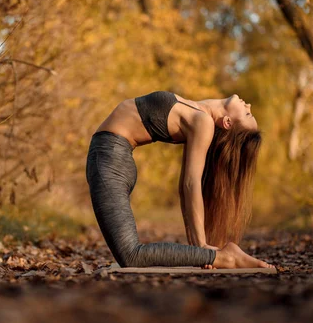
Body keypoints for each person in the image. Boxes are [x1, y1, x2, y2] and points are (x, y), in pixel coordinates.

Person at [85, 90, 274, 269]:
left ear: (227, 123)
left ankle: (228, 257)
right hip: (112, 157)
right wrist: (198, 249)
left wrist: (201, 246)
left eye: (248, 114)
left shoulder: (203, 122)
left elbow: (191, 184)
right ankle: (217, 255)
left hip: (109, 159)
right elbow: (185, 188)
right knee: (130, 254)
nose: (248, 105)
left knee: (131, 256)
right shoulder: (196, 113)